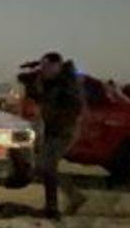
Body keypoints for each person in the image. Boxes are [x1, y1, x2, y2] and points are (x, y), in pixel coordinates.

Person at [22, 51, 86, 219]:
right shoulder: (54, 80)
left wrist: (51, 109)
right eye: (43, 67)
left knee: (46, 166)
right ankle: (71, 198)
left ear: (57, 66)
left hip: (64, 131)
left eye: (47, 67)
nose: (44, 70)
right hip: (54, 130)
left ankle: (54, 208)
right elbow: (40, 98)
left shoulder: (67, 83)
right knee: (47, 167)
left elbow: (72, 107)